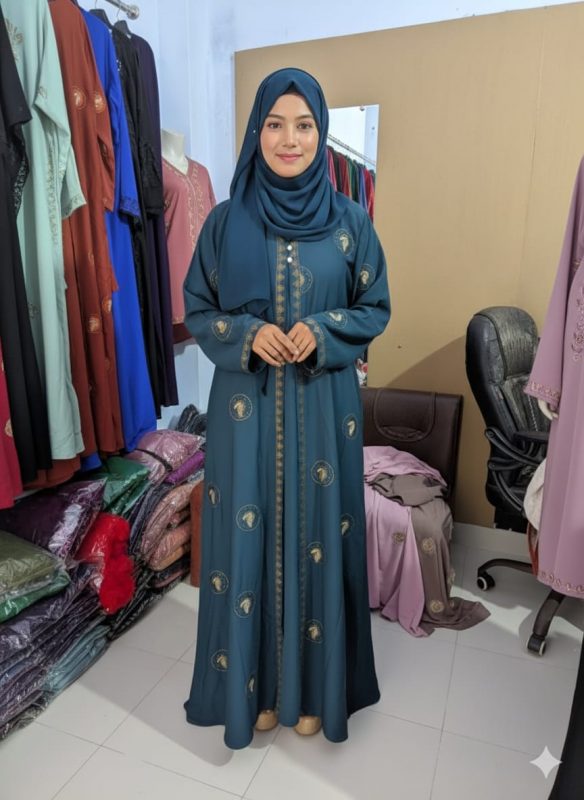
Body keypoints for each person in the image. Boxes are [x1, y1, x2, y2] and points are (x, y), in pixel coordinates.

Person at [183, 67, 390, 749]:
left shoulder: (351, 221)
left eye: (303, 125)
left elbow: (375, 307)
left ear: (321, 134)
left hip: (323, 408)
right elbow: (198, 308)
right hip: (246, 411)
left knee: (319, 534)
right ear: (257, 131)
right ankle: (258, 693)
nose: (289, 139)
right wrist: (246, 334)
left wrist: (324, 331)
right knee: (249, 542)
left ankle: (314, 694)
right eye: (275, 124)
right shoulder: (225, 222)